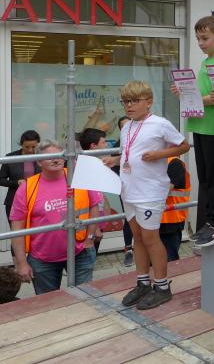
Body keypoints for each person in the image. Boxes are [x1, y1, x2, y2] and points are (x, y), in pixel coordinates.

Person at [118, 81, 190, 310]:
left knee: (150, 238)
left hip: (149, 192)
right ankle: (143, 283)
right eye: (125, 101)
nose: (129, 106)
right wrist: (113, 160)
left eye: (134, 101)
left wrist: (160, 154)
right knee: (137, 237)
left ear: (148, 102)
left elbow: (184, 146)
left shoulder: (160, 123)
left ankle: (162, 286)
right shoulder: (126, 127)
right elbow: (128, 154)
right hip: (128, 190)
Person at [10, 140, 102, 295]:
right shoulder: (27, 187)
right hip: (43, 260)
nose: (55, 159)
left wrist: (90, 239)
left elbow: (94, 206)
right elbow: (17, 227)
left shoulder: (78, 177)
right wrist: (21, 263)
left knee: (85, 298)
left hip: (80, 253)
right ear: (39, 162)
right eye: (49, 157)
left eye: (59, 155)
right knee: (50, 302)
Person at [173, 15, 214, 246]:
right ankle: (211, 221)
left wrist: (194, 96)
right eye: (198, 38)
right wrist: (184, 93)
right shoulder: (205, 63)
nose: (200, 43)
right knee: (206, 178)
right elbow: (204, 96)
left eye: (204, 38)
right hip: (200, 126)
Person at [78, 127, 117, 253]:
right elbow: (86, 199)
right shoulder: (85, 165)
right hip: (90, 219)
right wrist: (94, 228)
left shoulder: (95, 162)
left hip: (97, 216)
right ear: (93, 146)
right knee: (88, 253)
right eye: (104, 142)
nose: (107, 145)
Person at [0, 130, 41, 221]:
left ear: (38, 145)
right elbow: (1, 180)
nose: (30, 150)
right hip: (14, 201)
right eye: (27, 147)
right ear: (21, 144)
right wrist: (16, 183)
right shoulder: (10, 157)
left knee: (37, 229)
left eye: (33, 147)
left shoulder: (43, 157)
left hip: (38, 201)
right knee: (17, 229)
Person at [160, 157, 190, 261]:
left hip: (171, 221)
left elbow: (165, 189)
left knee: (169, 259)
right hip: (156, 218)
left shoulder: (174, 162)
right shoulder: (155, 162)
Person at [115, 117, 135, 267]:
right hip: (125, 187)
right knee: (129, 218)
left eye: (130, 124)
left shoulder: (140, 140)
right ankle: (129, 249)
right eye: (124, 126)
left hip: (142, 186)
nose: (127, 128)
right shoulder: (118, 146)